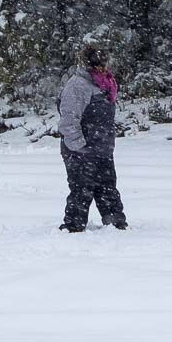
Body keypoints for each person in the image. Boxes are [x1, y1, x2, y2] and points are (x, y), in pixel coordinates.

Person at [57, 45, 128, 232]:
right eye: (99, 65)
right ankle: (73, 227)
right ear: (90, 65)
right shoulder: (78, 85)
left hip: (102, 148)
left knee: (108, 187)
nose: (104, 68)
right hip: (80, 150)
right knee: (81, 189)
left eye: (105, 64)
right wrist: (79, 146)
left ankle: (115, 224)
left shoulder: (105, 84)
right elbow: (69, 119)